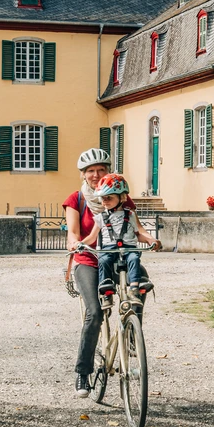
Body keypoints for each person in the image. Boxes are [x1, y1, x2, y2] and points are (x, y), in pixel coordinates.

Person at [64, 148, 129, 397]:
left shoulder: (121, 195)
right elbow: (73, 231)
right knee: (94, 313)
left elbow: (132, 222)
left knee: (141, 282)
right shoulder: (76, 200)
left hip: (115, 257)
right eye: (91, 171)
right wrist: (73, 242)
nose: (96, 174)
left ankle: (132, 333)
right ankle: (83, 372)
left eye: (101, 170)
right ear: (83, 174)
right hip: (88, 260)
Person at [75, 173, 160, 294]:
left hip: (128, 248)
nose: (105, 201)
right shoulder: (100, 217)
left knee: (134, 258)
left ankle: (135, 287)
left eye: (109, 197)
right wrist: (80, 244)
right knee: (104, 260)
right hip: (109, 249)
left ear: (122, 197)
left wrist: (150, 240)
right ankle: (106, 285)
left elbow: (138, 234)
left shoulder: (130, 215)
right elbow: (92, 237)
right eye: (102, 198)